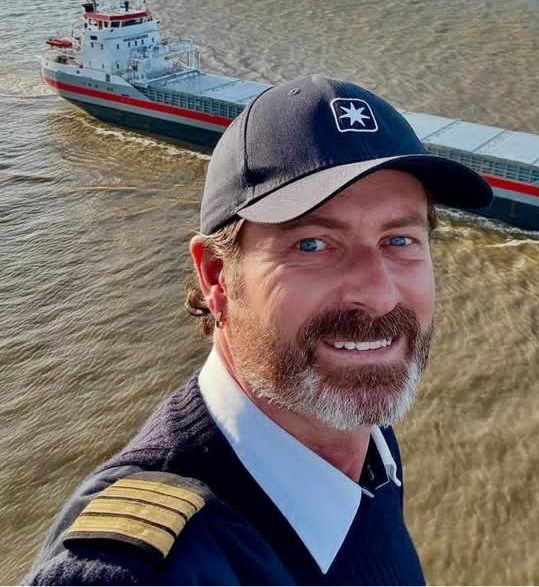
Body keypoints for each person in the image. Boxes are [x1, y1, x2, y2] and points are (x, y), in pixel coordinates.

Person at [25, 74, 493, 585]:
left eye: (399, 240)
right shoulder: (136, 571)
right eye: (312, 244)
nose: (378, 294)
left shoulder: (369, 440)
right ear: (216, 277)